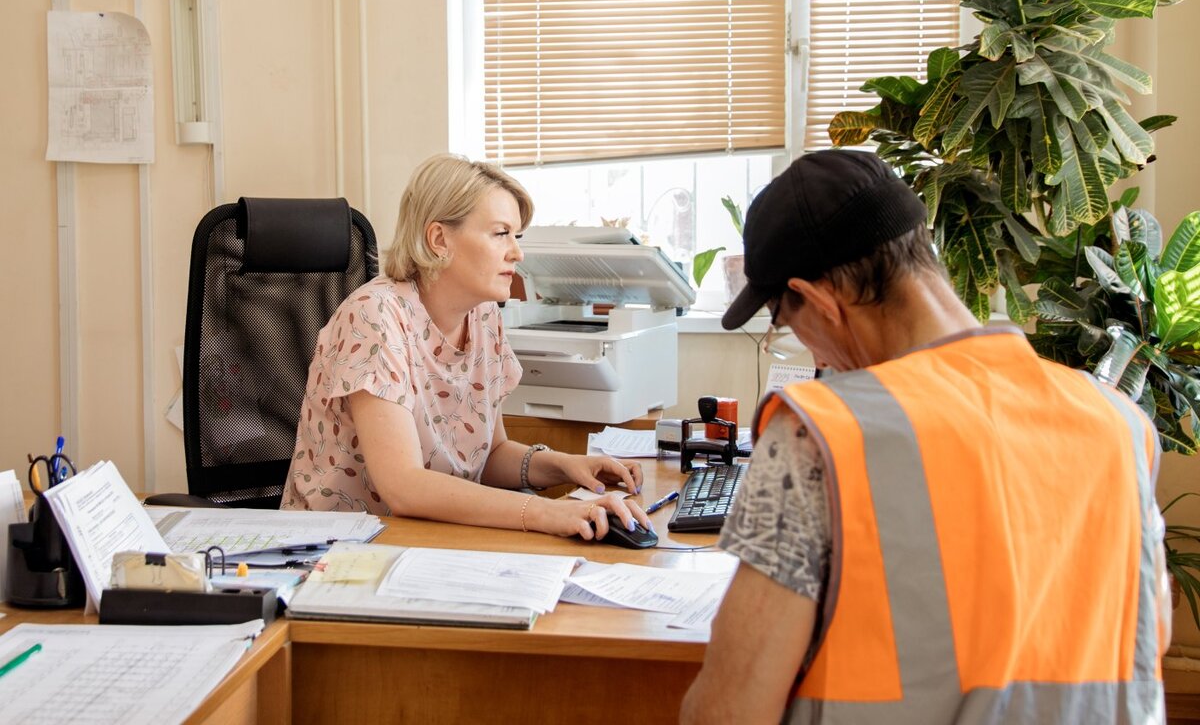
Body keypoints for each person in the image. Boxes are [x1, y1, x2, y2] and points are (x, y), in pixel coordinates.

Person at [681, 150, 1170, 724]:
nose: (812, 354)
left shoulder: (821, 437)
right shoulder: (1118, 420)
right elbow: (1148, 634)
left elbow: (730, 713)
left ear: (818, 300)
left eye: (788, 325)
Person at [281, 154, 651, 541]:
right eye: (500, 233)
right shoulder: (374, 316)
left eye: (516, 236)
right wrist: (547, 511)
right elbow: (403, 487)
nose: (517, 253)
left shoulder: (484, 316)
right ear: (439, 239)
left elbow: (489, 456)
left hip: (423, 540)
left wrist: (566, 465)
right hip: (333, 551)